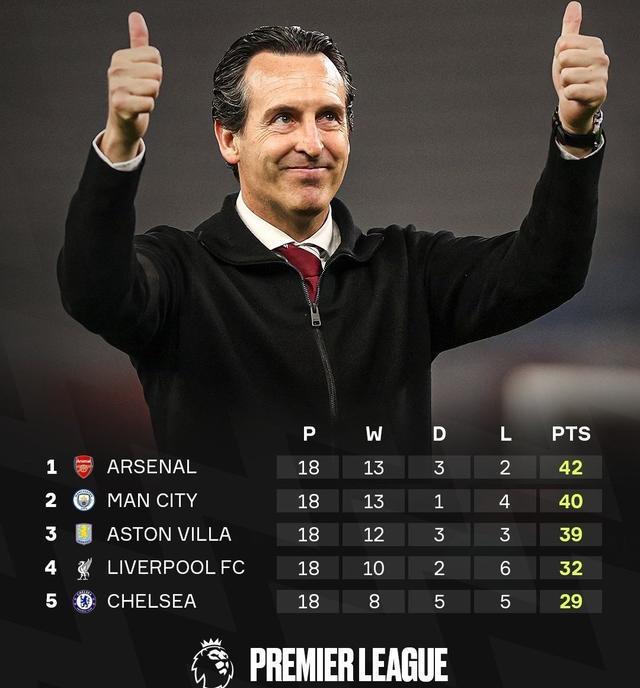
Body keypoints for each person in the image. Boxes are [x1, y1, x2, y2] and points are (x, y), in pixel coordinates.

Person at [58, 3, 608, 466]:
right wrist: (120, 145)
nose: (312, 142)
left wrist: (576, 132)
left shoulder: (404, 270)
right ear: (229, 139)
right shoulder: (180, 271)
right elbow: (93, 291)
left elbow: (545, 272)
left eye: (328, 116)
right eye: (283, 118)